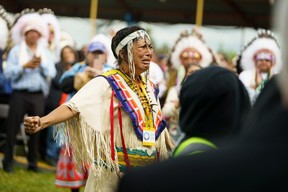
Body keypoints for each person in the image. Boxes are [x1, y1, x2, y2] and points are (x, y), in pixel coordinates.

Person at [24, 25, 174, 192]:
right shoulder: (107, 82)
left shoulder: (149, 87)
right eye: (142, 47)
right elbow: (74, 107)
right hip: (112, 173)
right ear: (123, 54)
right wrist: (42, 121)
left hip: (144, 175)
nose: (149, 52)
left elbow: (155, 124)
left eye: (150, 47)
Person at [2, 10, 56, 173]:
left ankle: (32, 163)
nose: (33, 35)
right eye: (29, 32)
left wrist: (40, 65)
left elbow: (52, 73)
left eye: (36, 32)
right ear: (24, 34)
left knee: (36, 128)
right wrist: (23, 67)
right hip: (19, 94)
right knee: (12, 128)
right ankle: (8, 162)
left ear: (40, 35)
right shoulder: (16, 51)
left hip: (38, 96)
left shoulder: (44, 52)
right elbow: (8, 73)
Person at [237, 29, 281, 105]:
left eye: (267, 60)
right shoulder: (245, 75)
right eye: (261, 59)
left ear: (272, 62)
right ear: (255, 61)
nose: (264, 62)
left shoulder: (278, 77)